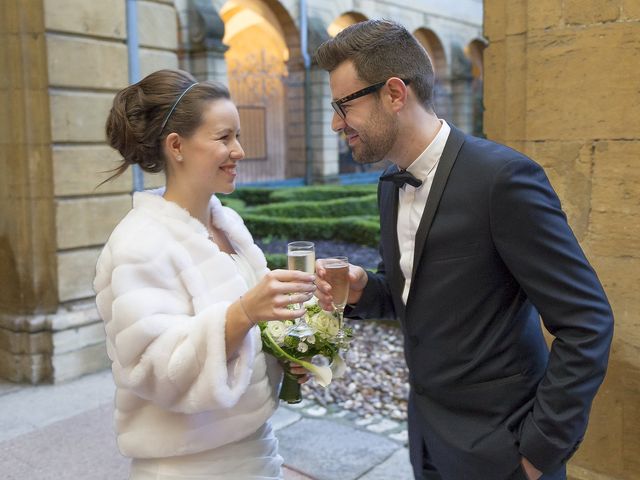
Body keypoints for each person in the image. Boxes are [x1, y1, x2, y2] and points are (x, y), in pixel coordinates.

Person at [313, 20, 614, 480]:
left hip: (504, 452)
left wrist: (540, 450)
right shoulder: (390, 185)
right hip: (427, 442)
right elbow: (419, 294)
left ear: (395, 93)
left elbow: (587, 321)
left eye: (344, 105)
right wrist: (362, 290)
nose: (336, 122)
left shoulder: (503, 179)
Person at [93, 69, 316, 480]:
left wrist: (286, 356)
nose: (240, 150)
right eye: (224, 137)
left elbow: (250, 335)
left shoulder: (228, 223)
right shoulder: (137, 245)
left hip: (256, 447)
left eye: (238, 136)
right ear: (176, 146)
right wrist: (245, 311)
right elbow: (154, 368)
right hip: (188, 465)